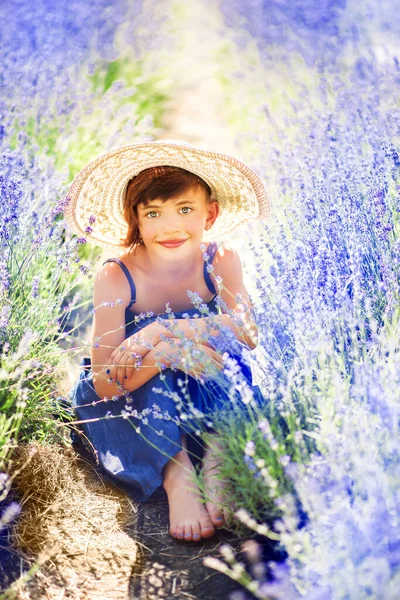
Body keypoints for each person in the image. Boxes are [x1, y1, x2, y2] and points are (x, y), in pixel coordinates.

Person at [65, 140, 270, 542]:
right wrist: (163, 354)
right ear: (135, 221)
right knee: (155, 367)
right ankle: (177, 476)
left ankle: (216, 456)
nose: (171, 226)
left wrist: (162, 331)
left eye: (186, 210)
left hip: (204, 378)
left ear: (209, 214)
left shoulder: (220, 259)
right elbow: (104, 383)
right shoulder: (116, 275)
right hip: (136, 391)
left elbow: (247, 332)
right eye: (153, 213)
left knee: (223, 360)